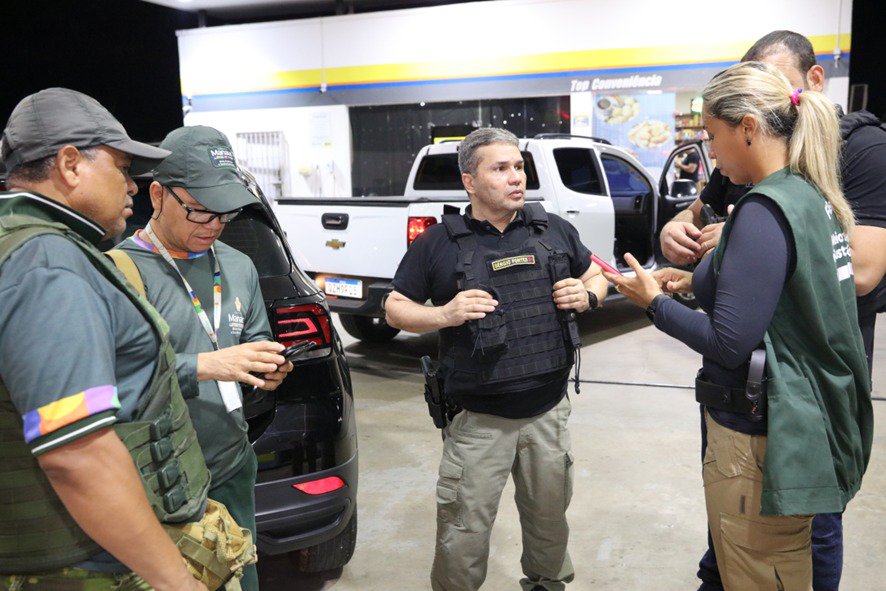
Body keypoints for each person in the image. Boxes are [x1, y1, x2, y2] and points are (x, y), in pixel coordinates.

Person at [607, 61, 873, 590]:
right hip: (811, 412)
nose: (710, 150)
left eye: (712, 134)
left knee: (759, 567)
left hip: (763, 430)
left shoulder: (761, 207)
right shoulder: (811, 194)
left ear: (747, 127)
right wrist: (692, 283)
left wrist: (653, 302)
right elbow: (782, 294)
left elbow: (729, 343)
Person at [0, 88, 208, 590]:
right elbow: (77, 453)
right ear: (70, 164)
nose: (135, 186)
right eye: (121, 168)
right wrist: (177, 582)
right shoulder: (47, 265)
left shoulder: (30, 244)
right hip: (81, 565)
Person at [385, 127, 609, 591]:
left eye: (519, 167)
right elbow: (393, 308)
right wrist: (444, 314)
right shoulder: (439, 243)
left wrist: (587, 294)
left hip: (548, 413)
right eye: (500, 168)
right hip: (479, 421)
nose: (516, 178)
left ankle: (548, 584)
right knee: (463, 533)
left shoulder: (553, 230)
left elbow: (596, 275)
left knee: (550, 522)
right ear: (470, 182)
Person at [113, 125, 293, 591]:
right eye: (199, 211)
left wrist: (265, 368)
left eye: (224, 213)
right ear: (158, 195)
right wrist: (206, 365)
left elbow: (251, 339)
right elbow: (114, 380)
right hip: (157, 485)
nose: (213, 224)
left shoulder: (238, 265)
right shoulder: (120, 272)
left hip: (232, 464)